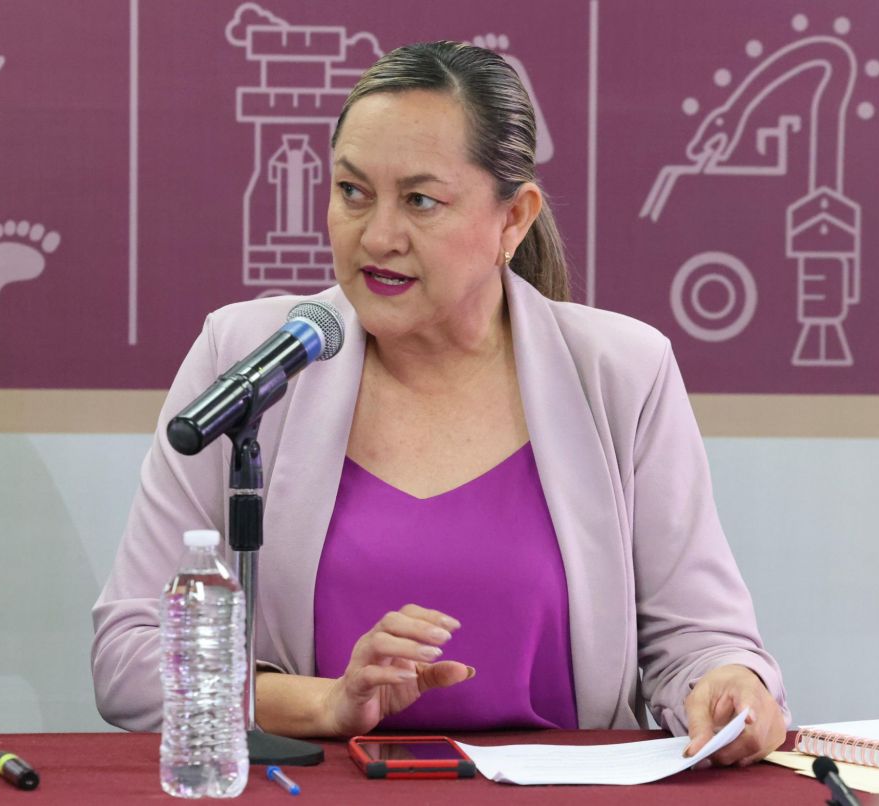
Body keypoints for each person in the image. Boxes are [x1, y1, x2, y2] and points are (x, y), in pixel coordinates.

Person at [92, 40, 789, 765]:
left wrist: (728, 687)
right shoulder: (250, 357)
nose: (378, 236)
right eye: (352, 192)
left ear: (513, 219)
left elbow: (700, 643)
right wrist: (323, 704)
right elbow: (129, 655)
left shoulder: (621, 372)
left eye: (421, 201)